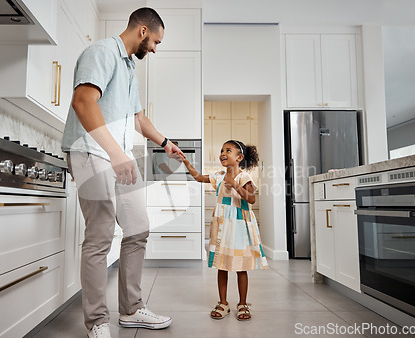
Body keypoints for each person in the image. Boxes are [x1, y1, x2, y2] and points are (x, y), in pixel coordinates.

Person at [61, 7, 183, 338]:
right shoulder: (101, 52)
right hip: (91, 152)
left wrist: (166, 142)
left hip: (119, 156)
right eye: (156, 41)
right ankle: (98, 322)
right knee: (100, 234)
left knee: (138, 228)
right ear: (143, 31)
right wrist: (115, 152)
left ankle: (130, 310)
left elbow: (139, 118)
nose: (155, 49)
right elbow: (83, 102)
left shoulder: (129, 67)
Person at [180, 140, 268, 321]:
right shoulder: (218, 176)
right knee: (222, 265)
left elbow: (251, 199)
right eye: (221, 150)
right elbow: (198, 177)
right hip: (222, 227)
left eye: (228, 150)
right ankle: (223, 302)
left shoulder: (243, 178)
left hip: (239, 227)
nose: (223, 153)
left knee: (241, 267)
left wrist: (234, 185)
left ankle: (242, 303)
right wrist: (187, 162)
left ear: (239, 157)